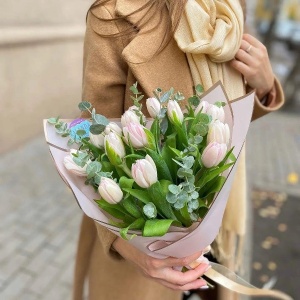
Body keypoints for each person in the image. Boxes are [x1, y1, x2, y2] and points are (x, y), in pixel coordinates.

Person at [72, 1, 284, 300]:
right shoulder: (115, 16)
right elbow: (90, 140)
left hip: (217, 226)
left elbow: (226, 119)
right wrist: (125, 244)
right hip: (149, 244)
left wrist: (262, 85)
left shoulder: (229, 9)